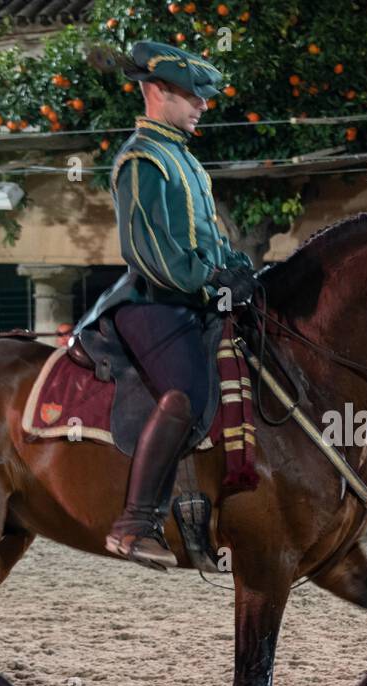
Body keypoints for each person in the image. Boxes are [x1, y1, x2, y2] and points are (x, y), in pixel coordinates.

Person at [73, 41, 257, 569]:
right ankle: (134, 523)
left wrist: (240, 270)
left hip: (189, 299)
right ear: (156, 91)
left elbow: (210, 241)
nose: (203, 106)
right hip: (150, 301)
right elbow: (149, 253)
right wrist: (211, 280)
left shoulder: (188, 163)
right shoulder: (142, 158)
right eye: (192, 97)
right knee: (183, 393)